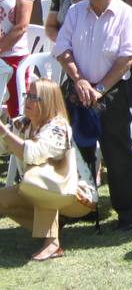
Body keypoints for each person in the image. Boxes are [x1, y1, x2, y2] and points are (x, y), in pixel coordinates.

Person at [51, 0, 132, 231]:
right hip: (77, 90)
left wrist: (99, 89)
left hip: (111, 92)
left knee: (117, 153)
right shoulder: (76, 12)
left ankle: (128, 214)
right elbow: (62, 49)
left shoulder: (126, 14)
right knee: (77, 153)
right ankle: (81, 208)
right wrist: (79, 80)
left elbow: (128, 57)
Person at [0, 78, 91, 260]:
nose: (28, 100)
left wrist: (3, 131)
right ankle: (55, 223)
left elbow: (33, 153)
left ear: (49, 102)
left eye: (35, 97)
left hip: (77, 195)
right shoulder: (23, 123)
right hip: (43, 189)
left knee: (35, 177)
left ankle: (52, 244)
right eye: (28, 95)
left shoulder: (58, 127)